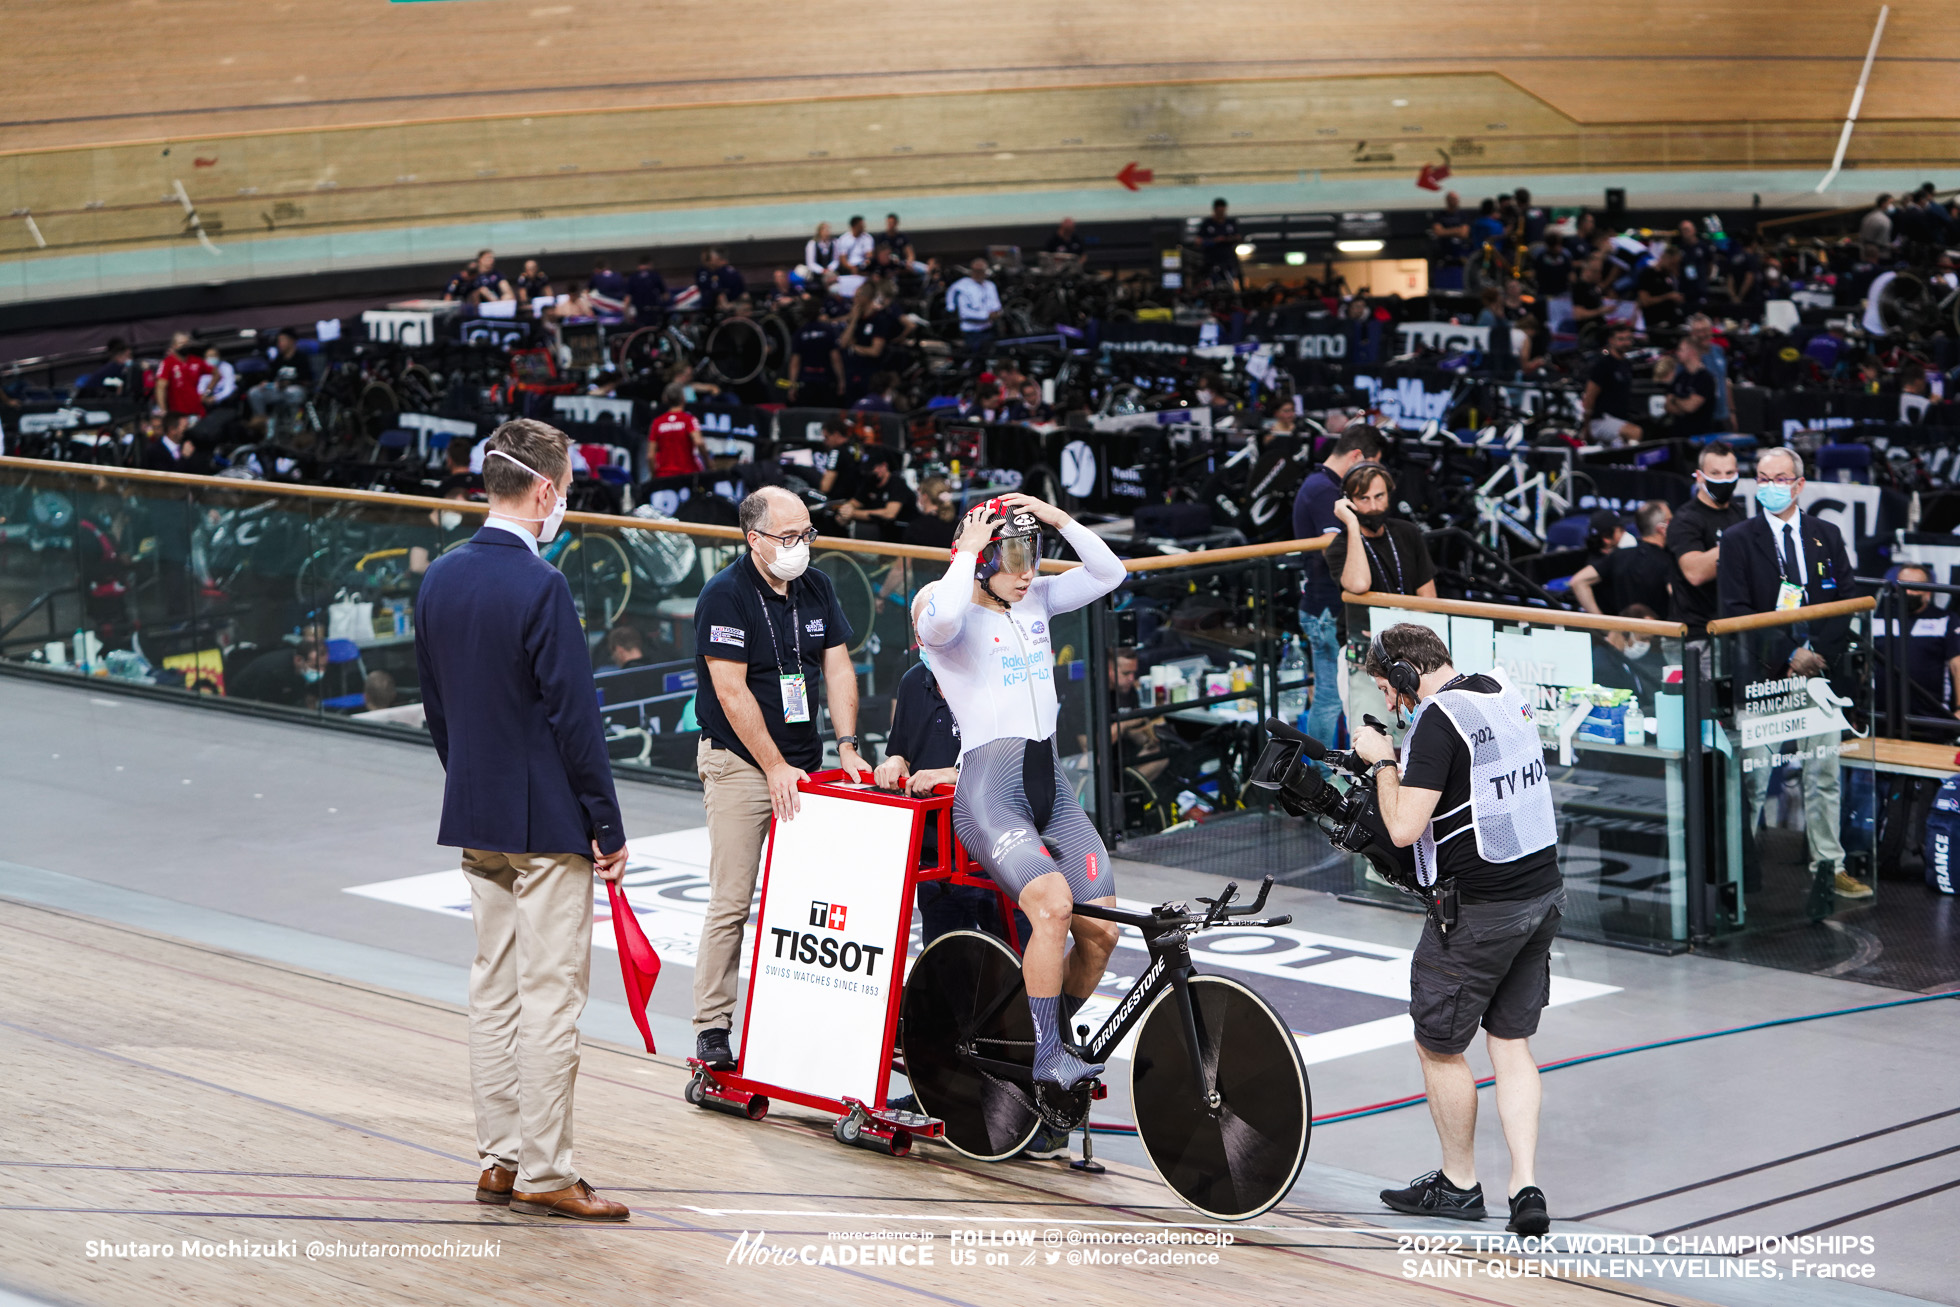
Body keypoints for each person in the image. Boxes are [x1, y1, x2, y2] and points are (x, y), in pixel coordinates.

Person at [412, 418, 631, 1223]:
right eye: (566, 489)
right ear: (543, 491)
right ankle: (546, 1169)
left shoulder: (440, 576)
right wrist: (606, 825)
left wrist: (471, 780)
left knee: (492, 991)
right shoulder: (544, 586)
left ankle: (498, 1159)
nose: (564, 501)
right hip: (547, 824)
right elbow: (577, 721)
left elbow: (438, 710)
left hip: (477, 812)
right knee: (550, 997)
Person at [1352, 622, 1562, 1237]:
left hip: (1479, 912)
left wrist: (1385, 761)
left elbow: (1402, 829)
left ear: (1405, 676)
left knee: (1439, 1046)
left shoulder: (1438, 723)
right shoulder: (1497, 686)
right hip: (1542, 894)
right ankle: (1525, 1185)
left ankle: (1460, 1185)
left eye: (1390, 691)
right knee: (1510, 1042)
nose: (1393, 704)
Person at [916, 494, 1126, 1091]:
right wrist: (964, 554)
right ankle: (1045, 1058)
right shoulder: (938, 602)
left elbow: (1111, 572)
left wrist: (1057, 520)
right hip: (990, 794)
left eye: (1032, 555)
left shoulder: (1034, 597)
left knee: (1101, 932)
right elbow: (944, 623)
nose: (1029, 570)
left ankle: (1040, 1034)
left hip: (1050, 788)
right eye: (1012, 556)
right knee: (1053, 909)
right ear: (982, 557)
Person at [690, 486, 870, 1069]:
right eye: (788, 537)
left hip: (806, 762)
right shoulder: (725, 595)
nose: (800, 546)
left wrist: (846, 745)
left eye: (807, 534)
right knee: (732, 900)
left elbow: (838, 665)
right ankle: (712, 1026)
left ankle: (797, 1012)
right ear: (755, 539)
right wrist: (772, 768)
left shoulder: (816, 586)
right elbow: (730, 690)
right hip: (743, 764)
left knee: (808, 904)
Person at [1716, 446, 1870, 911]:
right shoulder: (1740, 538)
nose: (1770, 485)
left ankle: (1830, 864)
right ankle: (1739, 871)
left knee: (1824, 773)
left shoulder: (1826, 534)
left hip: (1818, 677)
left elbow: (1847, 600)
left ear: (1799, 484)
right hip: (1767, 677)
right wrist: (1789, 652)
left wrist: (1817, 653)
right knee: (1752, 780)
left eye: (1779, 478)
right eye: (1762, 477)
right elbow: (1736, 611)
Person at [1292, 424, 1388, 750]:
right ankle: (1321, 780)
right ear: (1357, 456)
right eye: (1371, 465)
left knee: (1333, 698)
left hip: (1325, 608)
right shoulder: (1322, 490)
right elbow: (1336, 551)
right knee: (1331, 700)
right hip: (1326, 609)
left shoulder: (1323, 485)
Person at [1665, 441, 1744, 635]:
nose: (1724, 480)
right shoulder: (1685, 520)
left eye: (1729, 473)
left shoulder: (1738, 512)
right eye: (1715, 473)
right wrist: (1738, 543)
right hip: (1697, 633)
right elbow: (1695, 573)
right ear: (1699, 476)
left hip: (1732, 626)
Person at [1570, 499, 1672, 618]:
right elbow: (1578, 582)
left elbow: (1578, 581)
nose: (1624, 534)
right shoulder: (1667, 561)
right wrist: (1601, 622)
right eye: (1670, 521)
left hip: (1624, 631)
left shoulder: (1618, 556)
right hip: (1659, 632)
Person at [1582, 321, 1641, 447]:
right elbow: (1589, 397)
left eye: (1628, 339)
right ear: (1611, 340)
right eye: (1621, 339)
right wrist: (1586, 427)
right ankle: (1634, 462)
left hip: (1619, 420)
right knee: (1635, 432)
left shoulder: (1626, 364)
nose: (1625, 343)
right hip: (1601, 420)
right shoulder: (1603, 365)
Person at [230, 640, 328, 708]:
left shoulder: (301, 670)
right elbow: (265, 703)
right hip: (242, 700)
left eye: (324, 666)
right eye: (315, 666)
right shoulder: (276, 672)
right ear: (298, 660)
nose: (321, 671)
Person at [647, 383, 706, 480]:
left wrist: (654, 476)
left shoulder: (657, 423)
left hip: (664, 476)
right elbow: (699, 442)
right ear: (683, 398)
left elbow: (650, 456)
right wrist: (708, 463)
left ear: (665, 399)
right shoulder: (689, 419)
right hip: (688, 474)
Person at [947, 258, 1002, 360]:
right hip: (972, 333)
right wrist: (987, 315)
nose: (978, 274)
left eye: (981, 271)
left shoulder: (990, 286)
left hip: (989, 330)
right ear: (972, 271)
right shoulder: (963, 287)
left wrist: (996, 313)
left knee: (991, 358)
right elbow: (965, 313)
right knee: (975, 360)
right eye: (976, 271)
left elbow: (996, 306)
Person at [153, 332, 210, 420]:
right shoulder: (167, 363)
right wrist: (163, 410)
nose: (185, 346)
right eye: (181, 343)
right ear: (174, 346)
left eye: (186, 343)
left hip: (198, 411)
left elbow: (216, 373)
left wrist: (207, 391)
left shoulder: (196, 360)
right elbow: (160, 387)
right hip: (178, 414)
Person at [1637, 245, 1687, 338]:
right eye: (1673, 264)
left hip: (1672, 322)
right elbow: (1645, 301)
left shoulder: (1668, 276)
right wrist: (1668, 296)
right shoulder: (1648, 274)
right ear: (1665, 258)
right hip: (1656, 324)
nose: (1674, 267)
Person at [1196, 197, 1241, 287]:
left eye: (1223, 210)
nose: (1221, 213)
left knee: (1230, 282)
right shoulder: (1207, 223)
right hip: (1211, 260)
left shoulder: (1230, 223)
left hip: (1228, 260)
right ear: (1215, 210)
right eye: (1219, 211)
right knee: (1212, 283)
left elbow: (1238, 237)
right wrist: (1214, 241)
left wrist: (1226, 239)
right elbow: (1198, 241)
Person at [694, 246, 746, 313]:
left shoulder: (721, 272)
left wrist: (726, 305)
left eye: (708, 259)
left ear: (717, 258)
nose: (707, 263)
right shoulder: (733, 271)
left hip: (721, 308)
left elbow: (720, 292)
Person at [625, 255, 667, 322]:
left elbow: (628, 298)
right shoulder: (655, 275)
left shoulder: (633, 277)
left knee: (642, 330)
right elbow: (665, 295)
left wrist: (626, 313)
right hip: (654, 310)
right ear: (650, 264)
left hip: (639, 311)